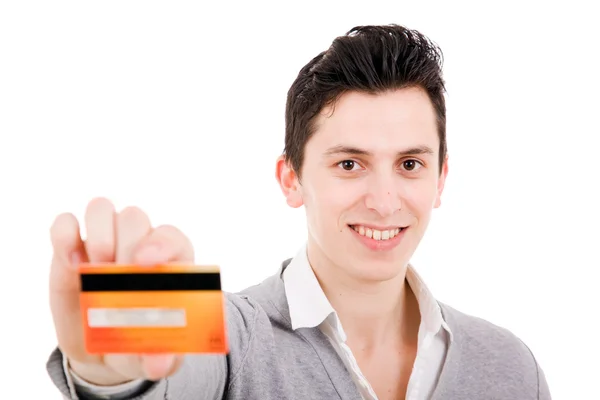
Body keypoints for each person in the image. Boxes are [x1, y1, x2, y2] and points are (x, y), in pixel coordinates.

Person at [46, 24, 551, 400]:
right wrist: (112, 370)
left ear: (440, 179)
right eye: (350, 163)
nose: (383, 199)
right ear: (291, 179)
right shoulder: (233, 333)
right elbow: (168, 369)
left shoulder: (510, 366)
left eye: (410, 164)